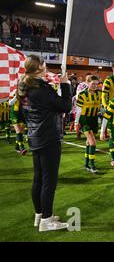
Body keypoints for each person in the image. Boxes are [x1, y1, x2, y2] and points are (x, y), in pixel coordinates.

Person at [17, 55, 72, 231]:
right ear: (39, 68)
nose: (47, 66)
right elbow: (65, 106)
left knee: (39, 178)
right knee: (49, 180)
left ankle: (40, 215)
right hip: (48, 137)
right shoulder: (40, 89)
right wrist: (65, 84)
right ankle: (47, 221)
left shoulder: (26, 86)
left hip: (35, 136)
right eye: (44, 64)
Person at [75, 75, 101, 173]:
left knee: (88, 142)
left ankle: (86, 164)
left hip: (94, 119)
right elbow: (78, 110)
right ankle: (92, 165)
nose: (95, 86)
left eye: (96, 84)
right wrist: (77, 122)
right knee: (93, 142)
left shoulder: (99, 94)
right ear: (87, 83)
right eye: (93, 83)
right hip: (84, 120)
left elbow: (100, 107)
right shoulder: (82, 95)